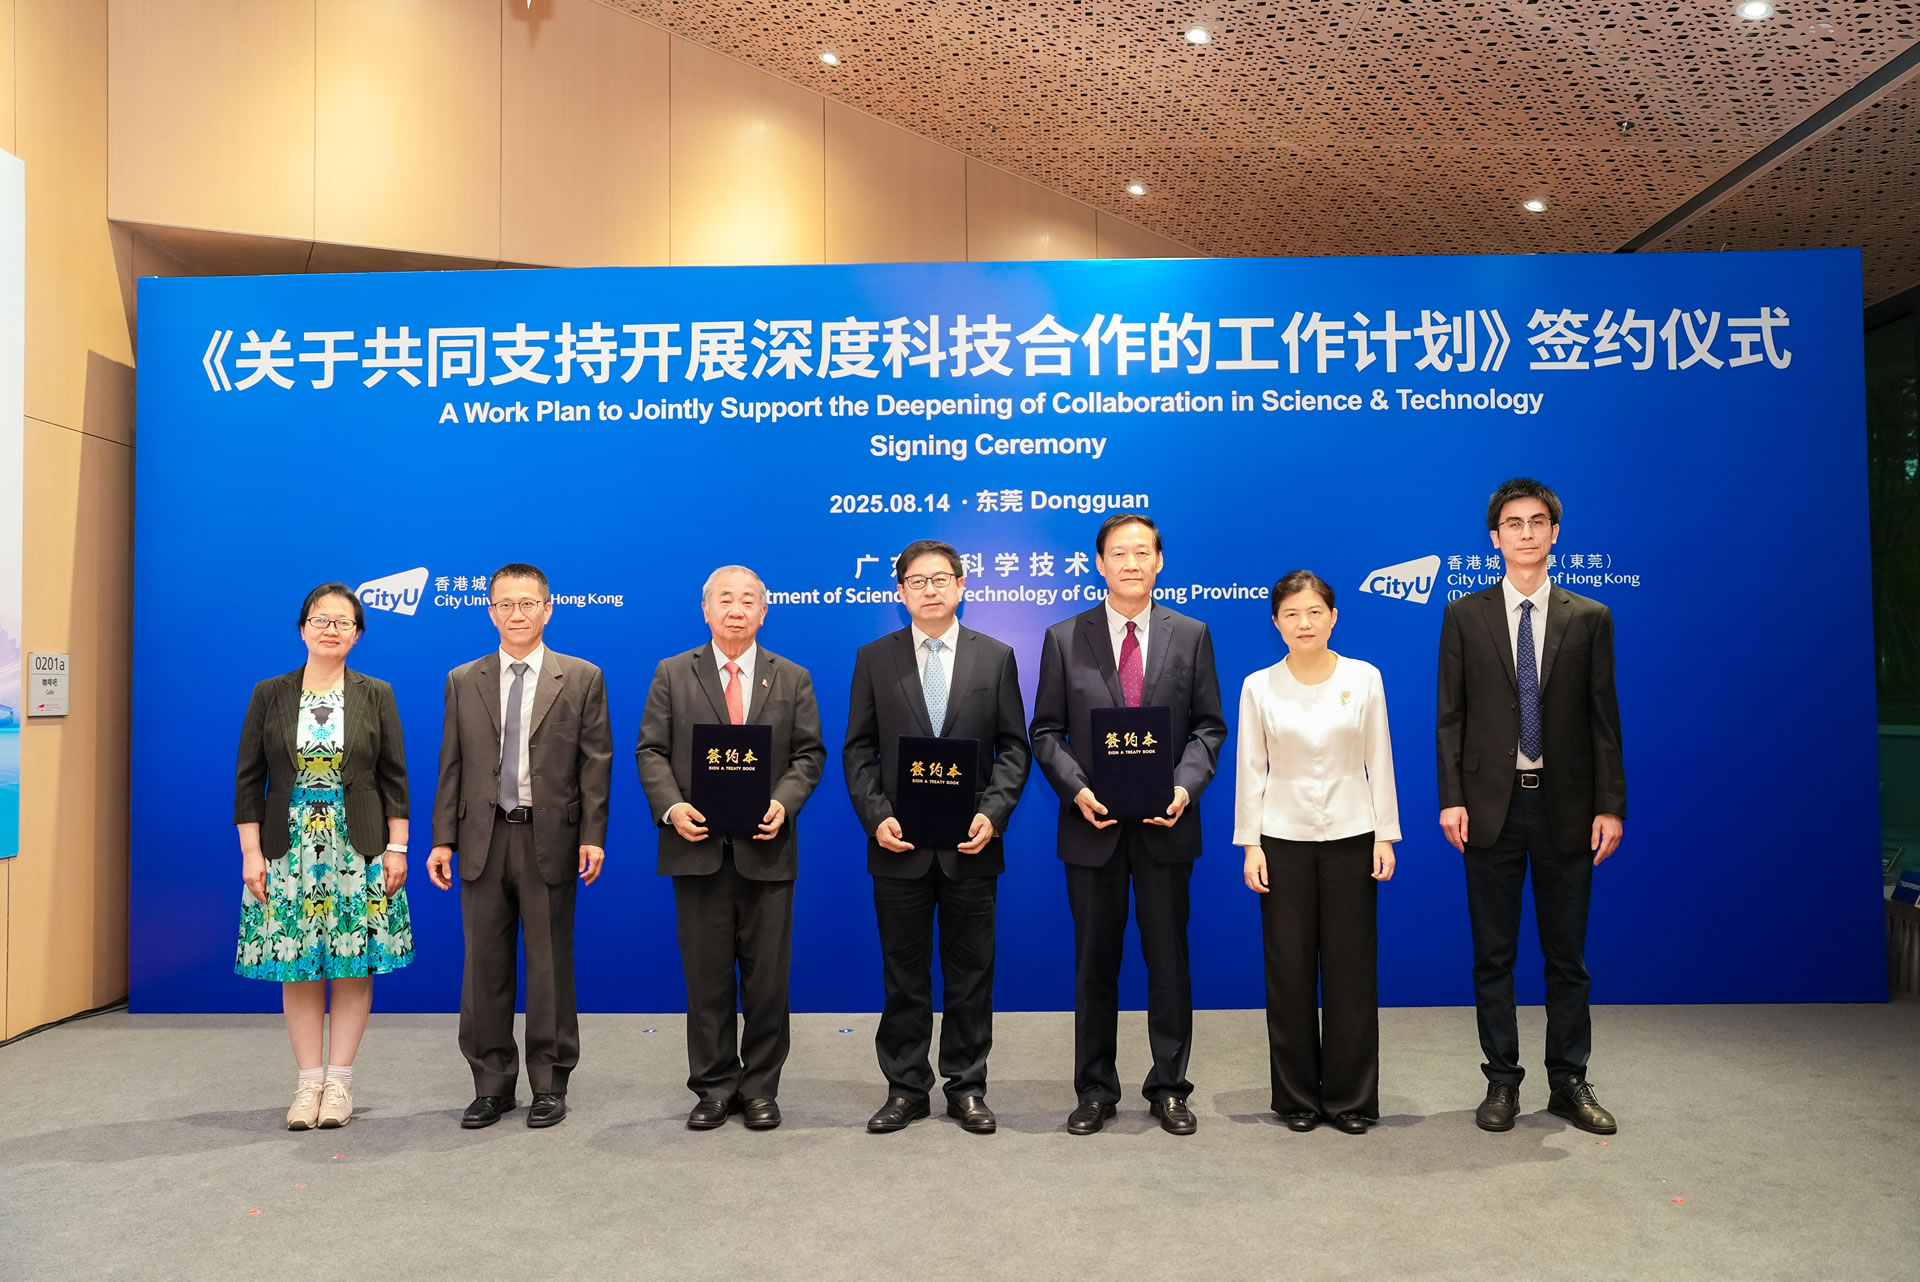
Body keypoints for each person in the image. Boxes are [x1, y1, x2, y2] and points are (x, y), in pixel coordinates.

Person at [1436, 478, 1626, 1135]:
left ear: (1554, 534)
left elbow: (1604, 719)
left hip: (1567, 808)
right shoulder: (1464, 615)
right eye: (1513, 523)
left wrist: (1610, 805)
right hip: (1490, 808)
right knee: (1494, 957)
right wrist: (1452, 798)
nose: (1525, 533)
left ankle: (1569, 1081)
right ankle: (1501, 1081)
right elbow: (1451, 717)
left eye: (1537, 522)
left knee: (1567, 958)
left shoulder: (1590, 616)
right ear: (1495, 538)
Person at [1030, 513, 1227, 1136]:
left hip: (1167, 825)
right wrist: (1078, 790)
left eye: (1143, 552)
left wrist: (1184, 788)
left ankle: (1169, 1086)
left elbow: (1209, 728)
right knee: (1095, 964)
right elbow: (1045, 732)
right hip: (1094, 827)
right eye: (1119, 553)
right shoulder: (1065, 637)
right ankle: (1095, 1089)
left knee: (1168, 962)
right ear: (1099, 564)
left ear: (1159, 561)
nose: (1132, 563)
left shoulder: (1190, 634)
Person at [843, 539, 1031, 1134]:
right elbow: (858, 750)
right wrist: (877, 816)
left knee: (971, 973)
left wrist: (993, 814)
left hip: (971, 844)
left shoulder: (995, 657)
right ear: (900, 592)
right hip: (898, 845)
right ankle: (905, 1088)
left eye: (941, 579)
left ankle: (967, 1086)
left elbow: (1015, 749)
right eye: (917, 581)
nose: (930, 590)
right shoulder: (874, 658)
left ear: (961, 585)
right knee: (904, 975)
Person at [636, 565, 826, 1132]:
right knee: (707, 978)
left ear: (764, 612)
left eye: (748, 600)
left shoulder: (792, 677)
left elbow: (809, 755)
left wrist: (784, 803)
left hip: (767, 852)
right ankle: (714, 1087)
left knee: (767, 981)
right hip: (696, 850)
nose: (736, 609)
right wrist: (673, 808)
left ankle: (761, 1087)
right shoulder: (673, 673)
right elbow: (650, 751)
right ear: (706, 609)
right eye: (725, 599)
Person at [426, 563, 612, 1130]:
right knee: (484, 967)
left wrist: (593, 836)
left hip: (549, 838)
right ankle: (492, 1085)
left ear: (547, 609)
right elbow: (452, 764)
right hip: (482, 839)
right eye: (505, 604)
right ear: (490, 612)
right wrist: (442, 839)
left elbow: (595, 766)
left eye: (527, 603)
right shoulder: (464, 678)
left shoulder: (580, 677)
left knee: (550, 966)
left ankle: (550, 1083)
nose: (516, 614)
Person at [233, 582, 413, 1131]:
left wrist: (398, 847)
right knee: (298, 964)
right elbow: (248, 780)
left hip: (358, 846)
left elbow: (394, 777)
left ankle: (339, 1084)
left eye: (343, 622)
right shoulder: (270, 693)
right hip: (287, 848)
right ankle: (308, 1082)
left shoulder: (375, 693)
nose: (331, 629)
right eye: (320, 619)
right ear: (302, 628)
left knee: (353, 964)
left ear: (357, 635)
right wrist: (251, 854)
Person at [1234, 570, 1400, 1135]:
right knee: (1289, 972)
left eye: (1314, 612)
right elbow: (1251, 769)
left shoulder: (1364, 678)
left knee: (1352, 973)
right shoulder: (1258, 686)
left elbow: (1379, 757)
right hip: (1281, 840)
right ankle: (1298, 1098)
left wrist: (1384, 834)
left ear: (1333, 617)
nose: (1304, 623)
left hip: (1353, 836)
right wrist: (1251, 844)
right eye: (1291, 614)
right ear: (1276, 623)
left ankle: (1351, 1100)